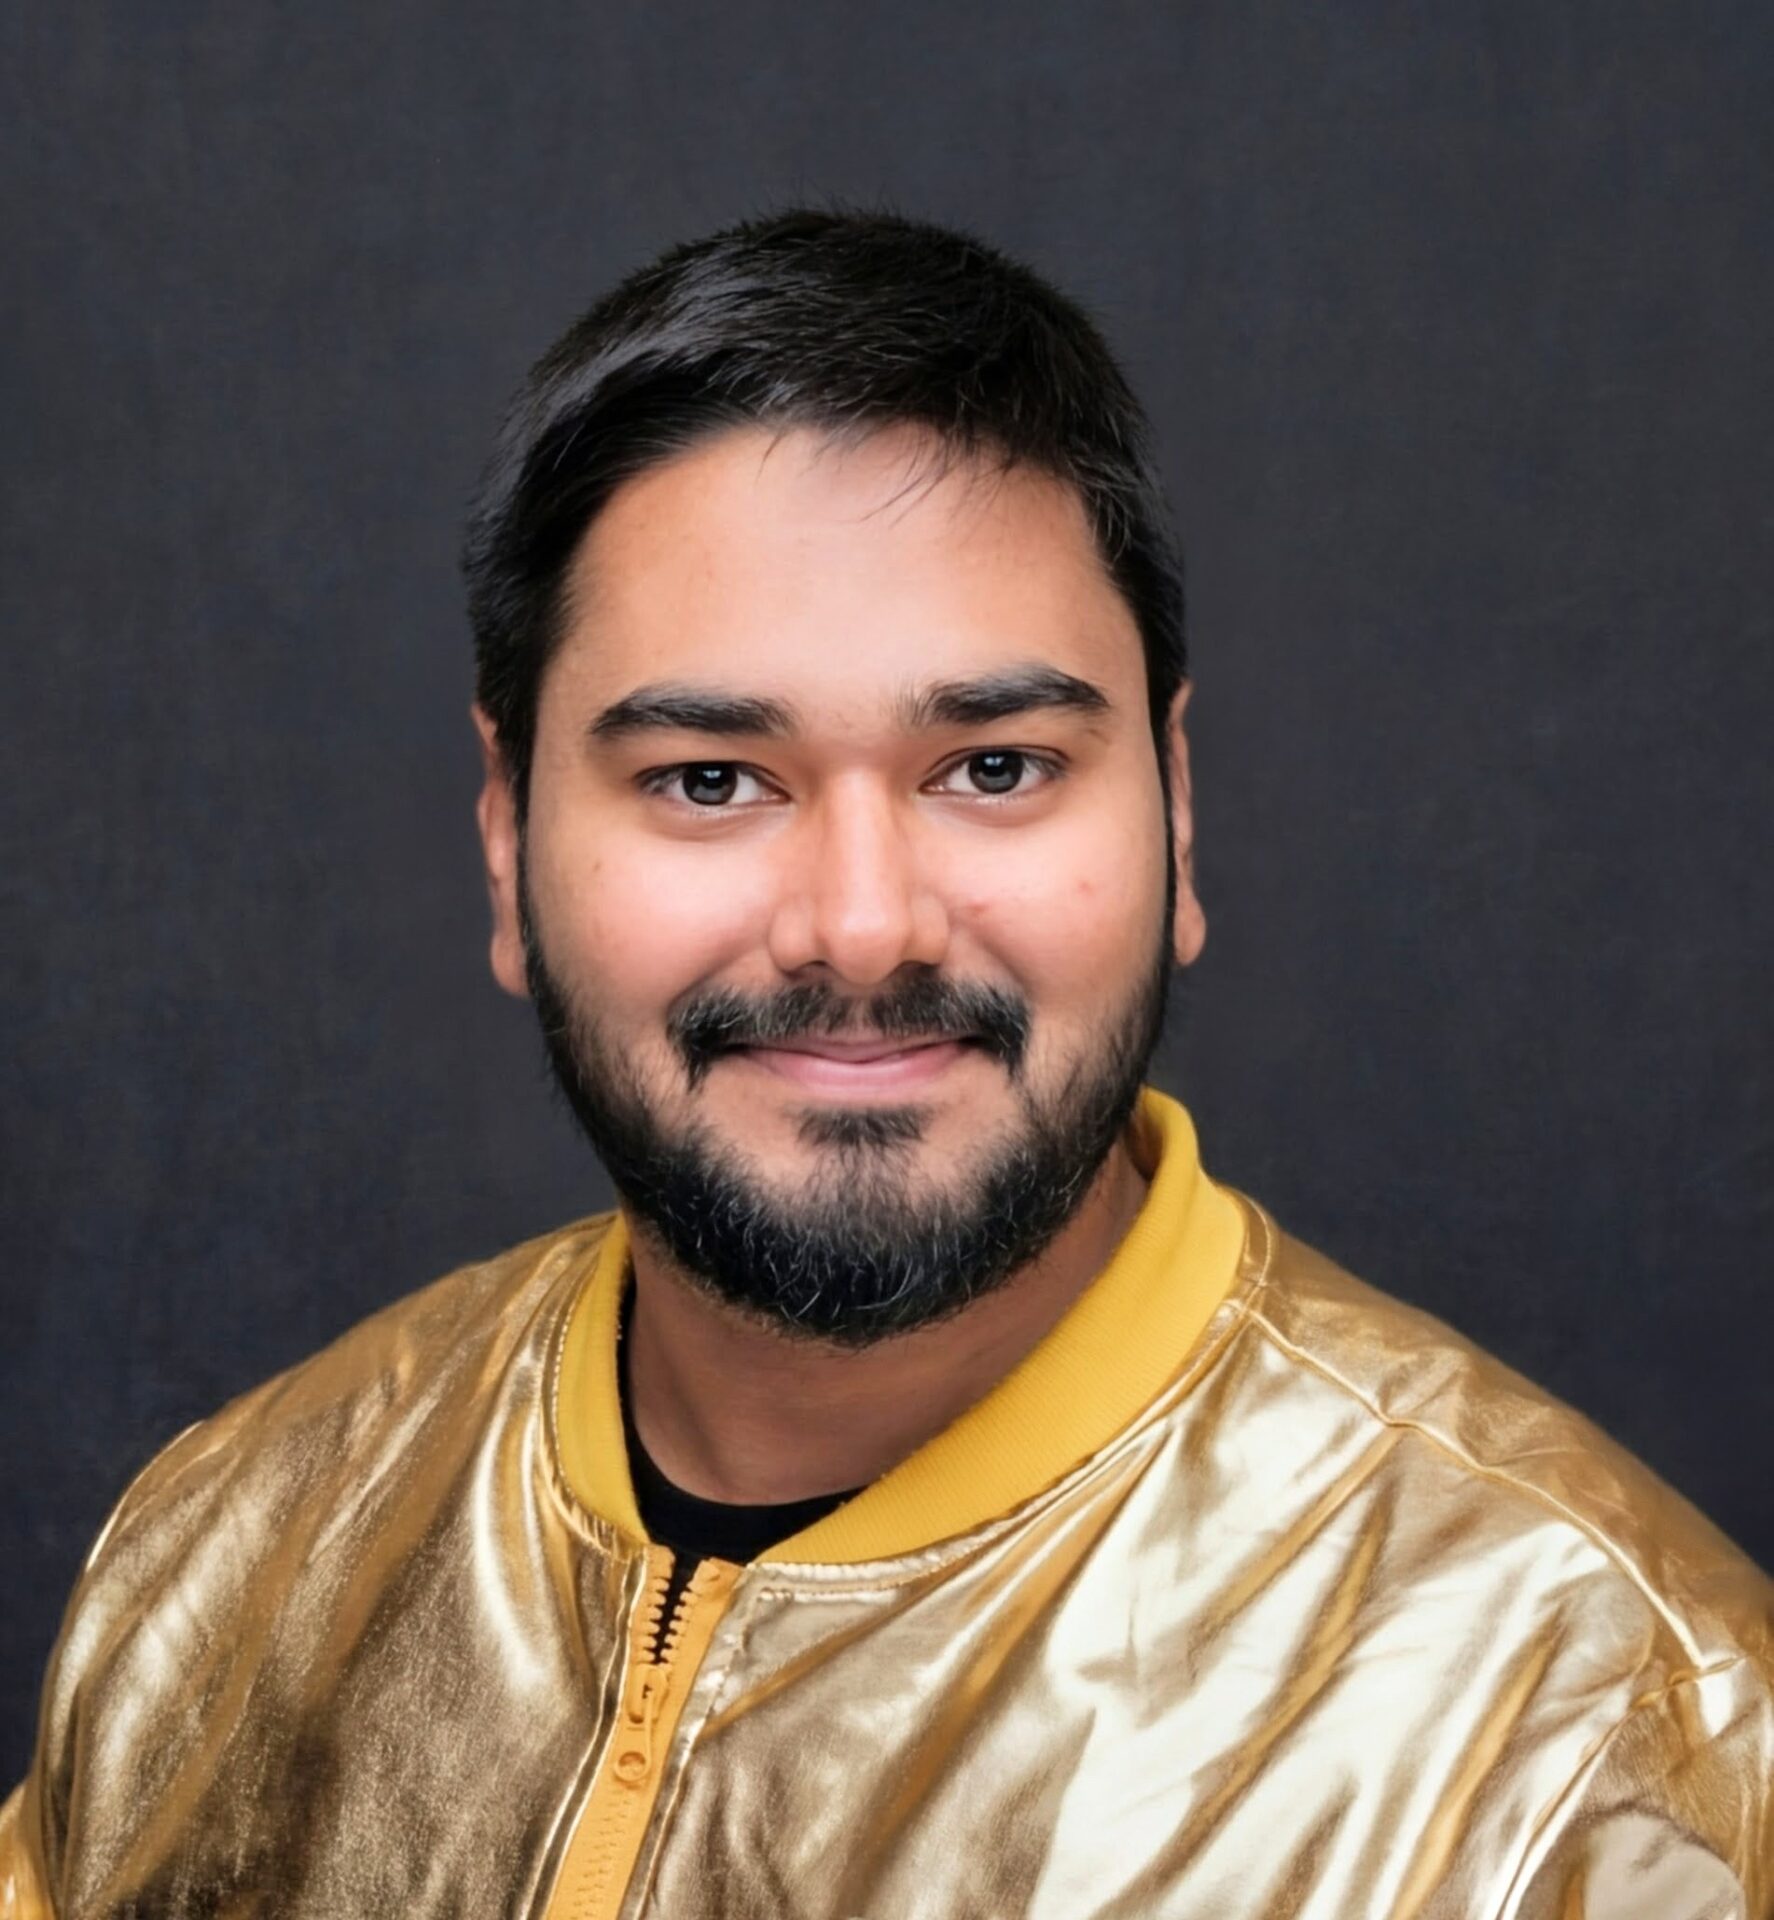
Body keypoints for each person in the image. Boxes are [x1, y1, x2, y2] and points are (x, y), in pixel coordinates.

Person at [2, 209, 1769, 1920]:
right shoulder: (226, 1562)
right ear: (502, 840)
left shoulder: (1600, 1748)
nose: (861, 930)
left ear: (1173, 808)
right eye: (709, 780)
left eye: (993, 768)